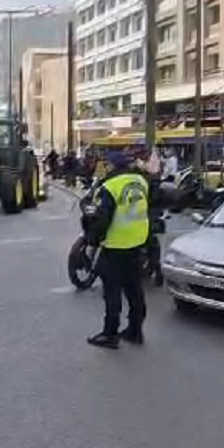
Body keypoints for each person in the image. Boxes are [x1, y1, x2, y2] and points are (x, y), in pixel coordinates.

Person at [84, 150, 151, 349]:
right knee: (134, 291)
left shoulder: (110, 186)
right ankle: (135, 330)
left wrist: (92, 240)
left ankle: (110, 334)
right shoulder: (140, 181)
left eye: (108, 164)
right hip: (137, 243)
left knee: (112, 293)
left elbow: (101, 219)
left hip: (115, 245)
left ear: (113, 166)